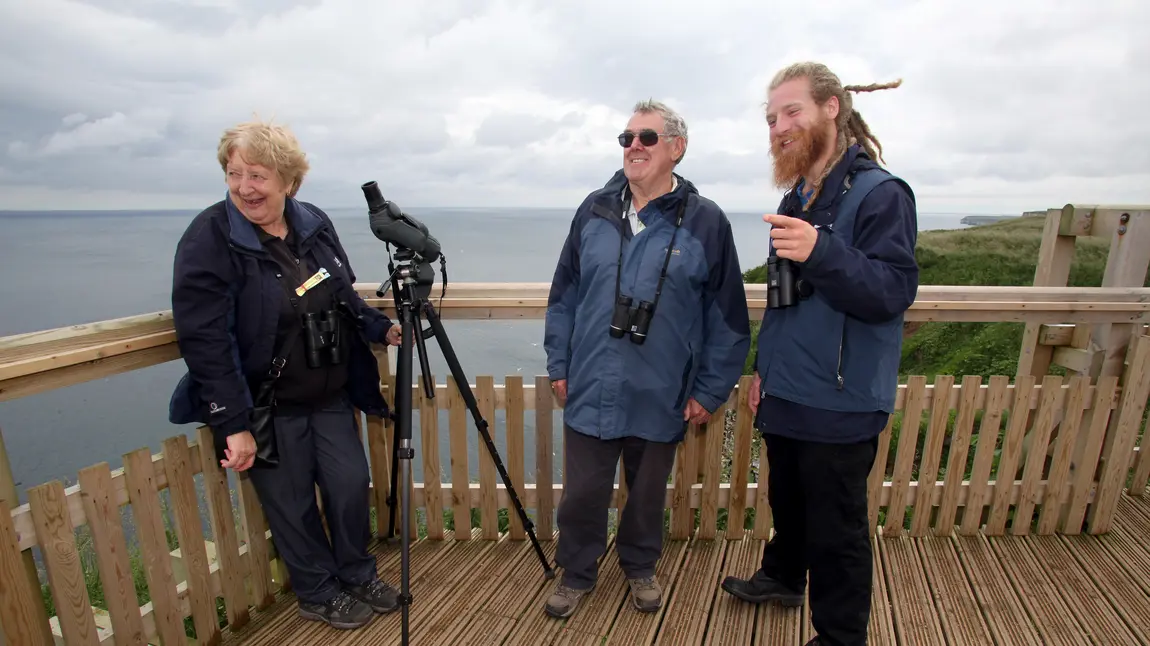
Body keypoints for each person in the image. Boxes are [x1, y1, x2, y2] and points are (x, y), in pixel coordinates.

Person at [168, 119, 403, 630]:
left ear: (288, 180)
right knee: (292, 506)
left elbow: (339, 292)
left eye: (258, 175)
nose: (244, 187)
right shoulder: (210, 238)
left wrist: (379, 328)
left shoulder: (312, 222)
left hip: (330, 393)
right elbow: (206, 341)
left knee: (349, 486)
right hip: (266, 405)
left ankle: (357, 573)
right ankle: (317, 591)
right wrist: (233, 423)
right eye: (235, 174)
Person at [719, 63, 919, 646]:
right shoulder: (798, 194)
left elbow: (891, 292)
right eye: (772, 117)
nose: (779, 127)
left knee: (838, 526)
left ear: (832, 108)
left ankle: (840, 636)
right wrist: (765, 369)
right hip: (789, 388)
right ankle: (784, 577)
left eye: (792, 112)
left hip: (841, 394)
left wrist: (821, 250)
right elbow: (787, 300)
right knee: (789, 496)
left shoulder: (882, 193)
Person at [543, 99, 751, 618]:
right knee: (584, 492)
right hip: (592, 380)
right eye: (627, 138)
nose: (633, 146)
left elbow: (727, 318)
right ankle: (577, 572)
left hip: (662, 387)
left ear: (676, 149)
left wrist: (709, 389)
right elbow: (563, 294)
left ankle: (640, 567)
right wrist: (559, 364)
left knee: (647, 493)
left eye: (647, 138)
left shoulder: (706, 222)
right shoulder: (594, 209)